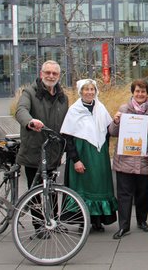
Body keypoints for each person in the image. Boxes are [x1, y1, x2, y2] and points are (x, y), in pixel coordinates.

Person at [15, 60, 69, 239]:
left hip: (53, 151)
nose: (51, 76)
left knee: (52, 189)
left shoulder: (63, 96)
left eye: (54, 73)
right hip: (34, 150)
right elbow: (21, 110)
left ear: (58, 76)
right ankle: (39, 225)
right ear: (41, 73)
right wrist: (30, 122)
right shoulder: (30, 92)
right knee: (36, 189)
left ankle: (54, 222)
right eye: (48, 72)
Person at [60, 79, 118, 232]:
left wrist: (117, 121)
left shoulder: (101, 108)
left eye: (92, 89)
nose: (89, 92)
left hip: (99, 155)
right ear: (81, 92)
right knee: (83, 186)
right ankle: (83, 220)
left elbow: (108, 130)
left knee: (99, 186)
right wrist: (76, 160)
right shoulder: (74, 110)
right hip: (82, 154)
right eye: (86, 89)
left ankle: (98, 220)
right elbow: (68, 137)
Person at [108, 79, 148, 239]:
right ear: (133, 92)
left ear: (147, 93)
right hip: (125, 159)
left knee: (142, 193)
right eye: (137, 91)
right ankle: (124, 225)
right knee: (124, 194)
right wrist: (115, 121)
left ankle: (142, 221)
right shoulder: (124, 109)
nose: (140, 94)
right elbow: (113, 132)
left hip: (144, 159)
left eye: (143, 91)